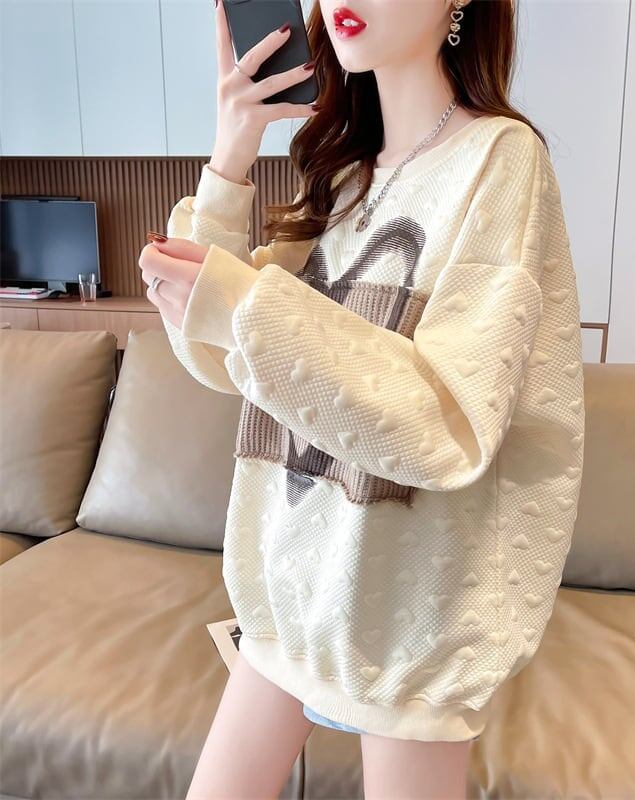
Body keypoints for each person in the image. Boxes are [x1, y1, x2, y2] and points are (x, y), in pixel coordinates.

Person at [138, 0, 585, 797]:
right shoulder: (345, 175)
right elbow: (222, 356)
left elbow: (447, 422)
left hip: (406, 622)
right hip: (288, 594)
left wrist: (243, 303)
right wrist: (231, 153)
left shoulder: (500, 160)